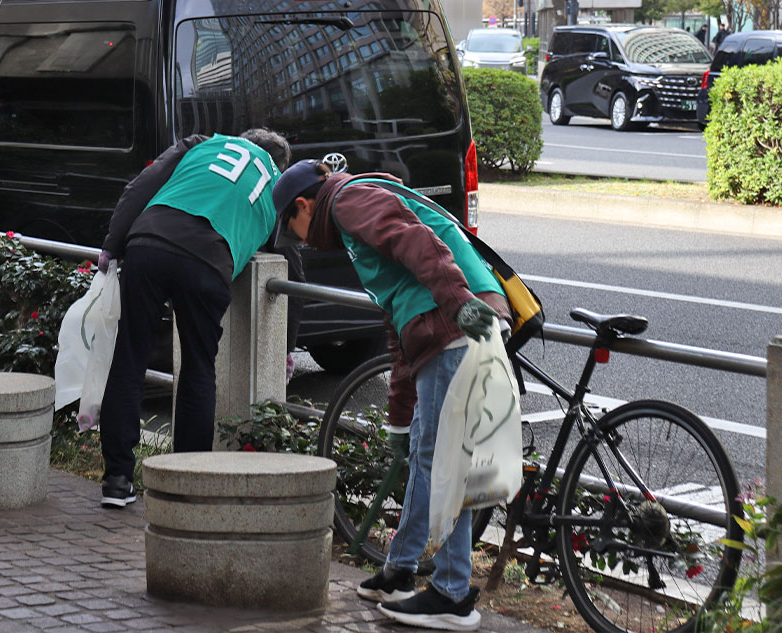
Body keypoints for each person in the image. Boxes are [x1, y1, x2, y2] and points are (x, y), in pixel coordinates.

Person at [272, 160, 512, 632]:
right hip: (437, 329)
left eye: (293, 228)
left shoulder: (346, 201)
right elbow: (396, 322)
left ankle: (451, 593)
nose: (299, 239)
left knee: (447, 461)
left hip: (452, 326)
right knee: (428, 454)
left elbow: (418, 242)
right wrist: (400, 418)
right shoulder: (351, 212)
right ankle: (401, 569)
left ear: (304, 205)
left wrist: (463, 306)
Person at [95, 129, 290, 508]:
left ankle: (117, 479)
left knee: (130, 355)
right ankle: (186, 482)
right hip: (209, 260)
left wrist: (112, 244)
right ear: (279, 164)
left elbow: (141, 185)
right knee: (199, 369)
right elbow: (289, 254)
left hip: (150, 240)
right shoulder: (279, 186)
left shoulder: (203, 142)